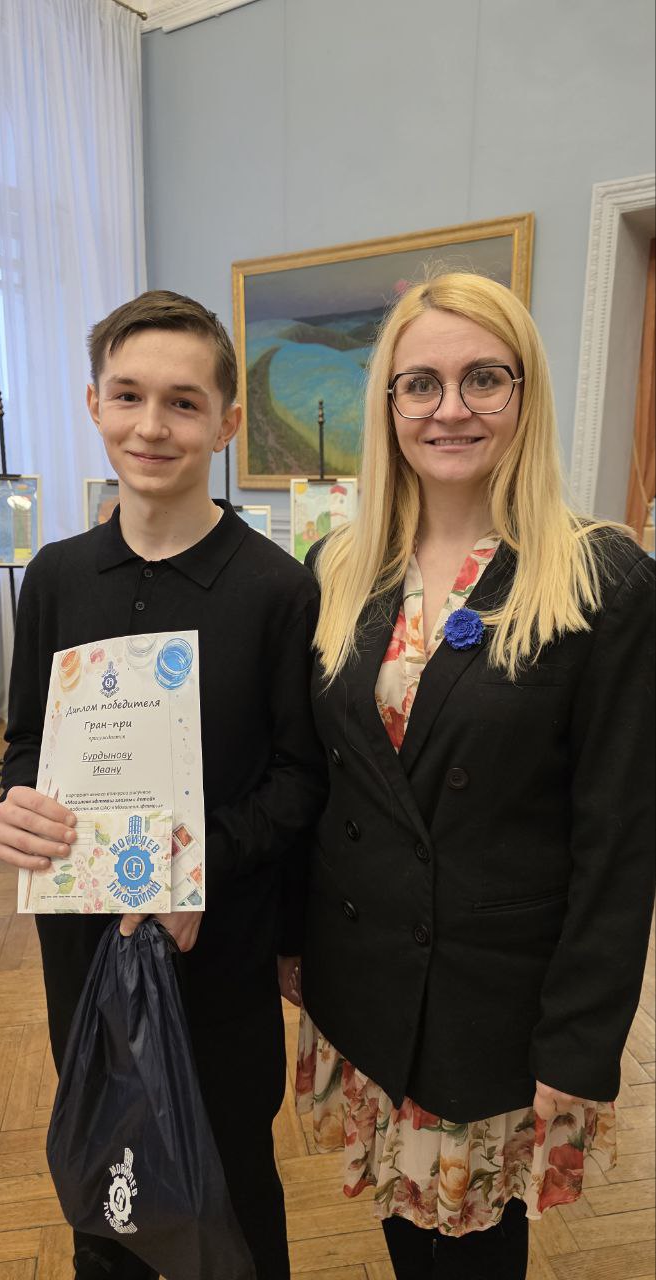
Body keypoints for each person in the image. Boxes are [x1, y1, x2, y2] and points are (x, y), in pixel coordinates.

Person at [283, 272, 655, 1280]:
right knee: (405, 1234)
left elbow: (619, 840)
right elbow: (324, 781)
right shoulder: (339, 566)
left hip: (494, 1004)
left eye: (483, 378)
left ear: (524, 392)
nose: (450, 408)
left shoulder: (601, 579)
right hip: (364, 978)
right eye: (421, 384)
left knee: (475, 1252)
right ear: (388, 405)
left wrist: (578, 1043)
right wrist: (289, 942)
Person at [0, 290, 326, 1280]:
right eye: (128, 395)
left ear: (226, 423)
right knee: (108, 1175)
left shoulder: (277, 589)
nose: (150, 425)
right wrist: (16, 808)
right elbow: (27, 743)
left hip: (215, 942)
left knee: (229, 1182)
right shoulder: (55, 576)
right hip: (84, 942)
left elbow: (300, 778)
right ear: (93, 403)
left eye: (183, 402)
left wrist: (195, 867)